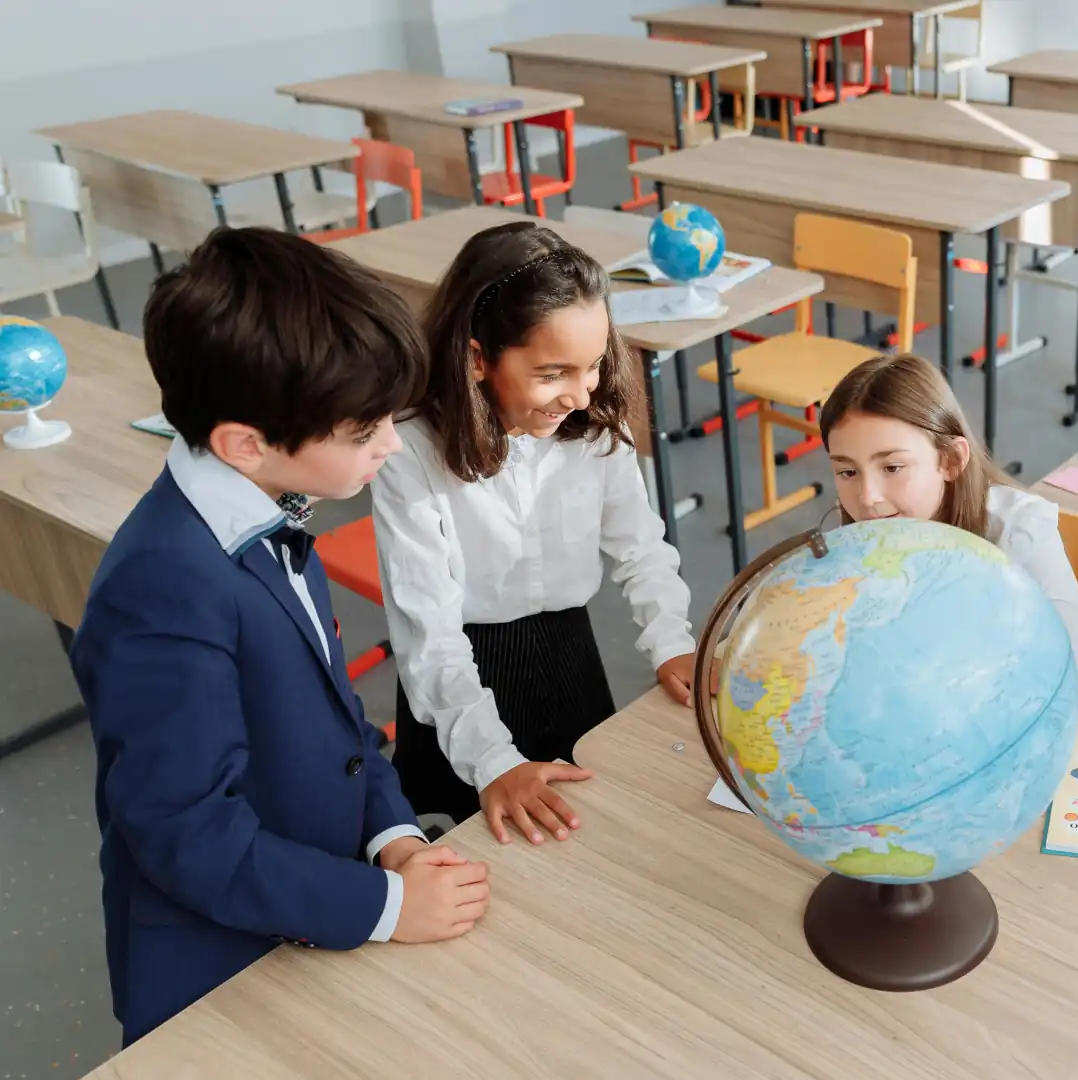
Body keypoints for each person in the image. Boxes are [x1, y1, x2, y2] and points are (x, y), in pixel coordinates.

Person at [70, 228, 489, 1046]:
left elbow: (334, 720)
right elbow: (185, 831)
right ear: (245, 443)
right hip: (219, 969)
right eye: (364, 430)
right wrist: (386, 907)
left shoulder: (265, 507)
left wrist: (393, 838)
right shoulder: (164, 589)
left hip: (312, 901)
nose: (392, 444)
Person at [373, 222, 695, 847]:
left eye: (596, 364)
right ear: (475, 358)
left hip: (567, 656)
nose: (580, 393)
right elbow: (429, 636)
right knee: (488, 847)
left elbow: (641, 546)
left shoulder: (594, 423)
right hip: (461, 678)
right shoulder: (409, 449)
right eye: (553, 373)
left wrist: (672, 641)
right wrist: (493, 762)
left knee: (585, 830)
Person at [819, 353, 1078, 715]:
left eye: (892, 467)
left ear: (950, 460)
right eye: (847, 472)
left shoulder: (1019, 532)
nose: (868, 497)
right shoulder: (854, 536)